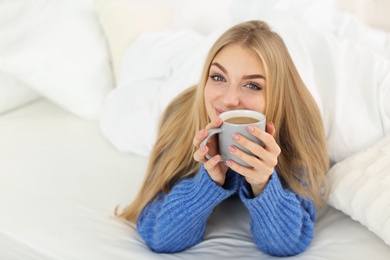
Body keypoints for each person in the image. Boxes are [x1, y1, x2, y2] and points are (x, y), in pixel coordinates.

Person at [116, 20, 329, 256]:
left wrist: (263, 184)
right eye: (218, 77)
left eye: (252, 85)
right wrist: (207, 182)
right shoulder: (180, 117)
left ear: (276, 93)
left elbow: (287, 244)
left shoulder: (300, 125)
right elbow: (159, 237)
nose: (229, 100)